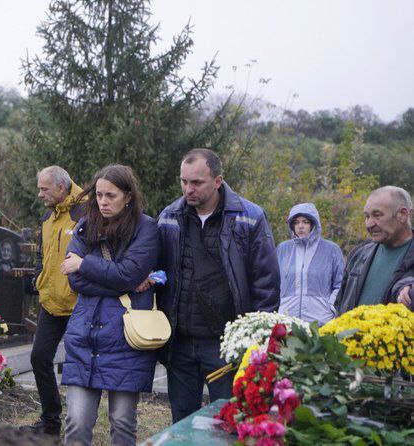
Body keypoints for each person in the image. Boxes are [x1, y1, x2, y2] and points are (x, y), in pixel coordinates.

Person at [156, 148, 280, 423]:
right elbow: (157, 273)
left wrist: (253, 340)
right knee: (182, 423)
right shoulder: (169, 217)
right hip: (181, 343)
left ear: (218, 180)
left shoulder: (249, 217)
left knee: (231, 421)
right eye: (184, 181)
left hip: (226, 345)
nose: (188, 189)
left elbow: (266, 284)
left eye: (196, 182)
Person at [59, 164, 160, 446]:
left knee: (123, 422)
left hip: (126, 339)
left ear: (128, 196)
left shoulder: (146, 228)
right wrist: (122, 283)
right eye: (99, 195)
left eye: (110, 195)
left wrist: (86, 264)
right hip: (85, 336)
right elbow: (75, 280)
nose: (103, 202)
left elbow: (129, 273)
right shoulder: (85, 226)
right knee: (76, 424)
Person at [21, 165, 85, 436]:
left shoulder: (85, 213)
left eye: (44, 189)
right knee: (39, 358)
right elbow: (42, 254)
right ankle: (50, 423)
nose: (39, 194)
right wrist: (39, 278)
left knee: (77, 368)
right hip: (50, 303)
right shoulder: (48, 216)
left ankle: (79, 424)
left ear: (61, 188)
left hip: (79, 305)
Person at [334, 186, 413, 314]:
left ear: (402, 215)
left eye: (377, 215)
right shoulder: (359, 255)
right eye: (367, 216)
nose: (369, 224)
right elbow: (340, 305)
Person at [276, 203, 345, 325]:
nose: (300, 226)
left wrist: (330, 308)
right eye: (296, 222)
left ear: (313, 224)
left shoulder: (331, 250)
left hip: (321, 321)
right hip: (287, 321)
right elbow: (273, 283)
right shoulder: (283, 249)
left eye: (305, 222)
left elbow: (340, 284)